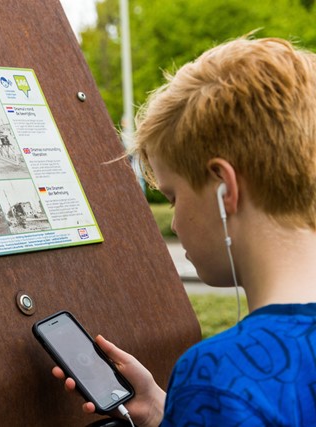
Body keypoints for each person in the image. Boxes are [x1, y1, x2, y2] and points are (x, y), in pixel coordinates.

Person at [53, 37, 316, 426]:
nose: (174, 222)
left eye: (174, 196)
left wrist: (197, 401)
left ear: (224, 188)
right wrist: (169, 412)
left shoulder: (217, 378)